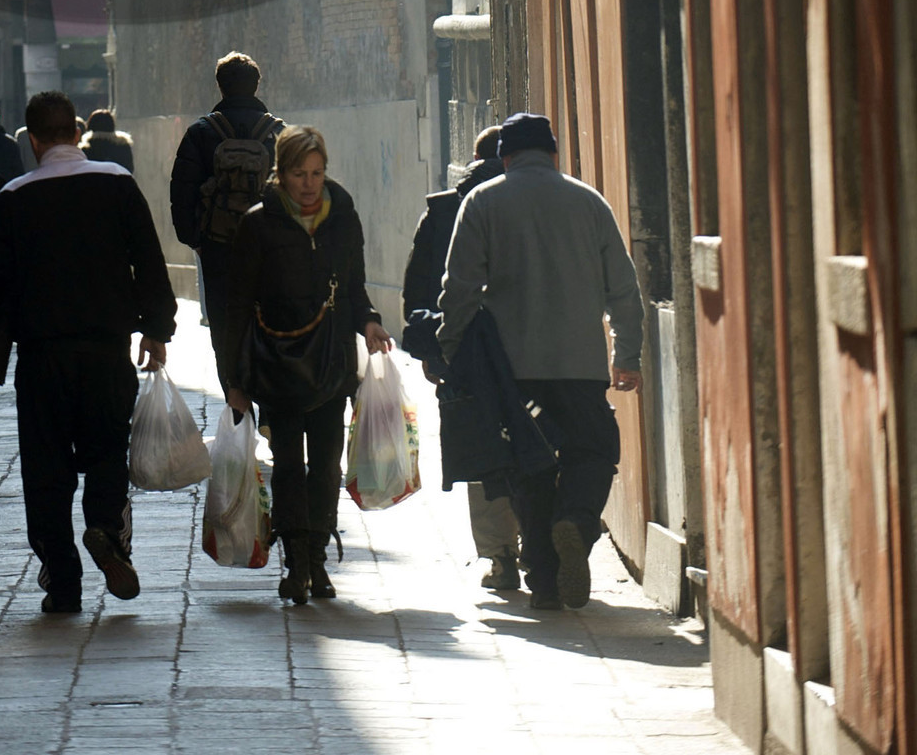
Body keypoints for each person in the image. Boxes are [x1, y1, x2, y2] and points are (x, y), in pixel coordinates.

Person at [0, 88, 176, 616]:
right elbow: (149, 259)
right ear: (75, 132)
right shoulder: (117, 183)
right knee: (106, 452)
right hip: (106, 349)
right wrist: (157, 329)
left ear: (31, 141)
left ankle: (62, 580)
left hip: (43, 356)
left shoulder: (15, 197)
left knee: (46, 469)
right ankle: (104, 530)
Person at [439, 109, 644, 614]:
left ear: (505, 157)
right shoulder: (590, 203)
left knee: (527, 468)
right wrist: (627, 354)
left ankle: (547, 583)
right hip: (581, 363)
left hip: (512, 371)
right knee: (593, 451)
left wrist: (451, 350)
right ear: (554, 154)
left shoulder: (482, 202)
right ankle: (575, 520)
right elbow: (623, 289)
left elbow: (459, 290)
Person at [217, 125, 391, 606]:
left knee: (327, 465)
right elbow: (237, 305)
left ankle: (317, 556)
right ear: (282, 173)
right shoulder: (258, 224)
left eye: (317, 173)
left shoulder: (343, 217)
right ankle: (295, 562)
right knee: (289, 464)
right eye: (299, 174)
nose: (310, 184)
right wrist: (234, 379)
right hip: (278, 365)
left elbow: (354, 286)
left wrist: (371, 322)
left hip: (332, 361)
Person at [401, 122, 522, 592]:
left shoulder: (442, 212)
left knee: (480, 444)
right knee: (533, 441)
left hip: (464, 351)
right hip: (525, 347)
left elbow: (417, 290)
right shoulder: (525, 203)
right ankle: (536, 542)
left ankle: (500, 557)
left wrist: (432, 352)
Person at [169, 52, 284, 329]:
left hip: (218, 246)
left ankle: (231, 372)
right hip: (271, 248)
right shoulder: (279, 133)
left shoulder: (200, 132)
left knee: (225, 326)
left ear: (220, 85)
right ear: (256, 84)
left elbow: (182, 193)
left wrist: (195, 239)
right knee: (272, 322)